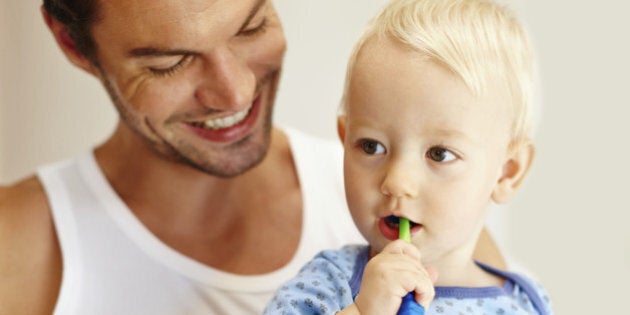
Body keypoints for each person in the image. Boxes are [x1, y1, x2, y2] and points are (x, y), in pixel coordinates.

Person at [0, 0, 505, 314]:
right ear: (73, 43)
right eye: (168, 63)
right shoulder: (17, 253)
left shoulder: (419, 212)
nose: (234, 91)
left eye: (251, 26)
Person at [263, 0, 553, 314]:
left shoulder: (526, 303)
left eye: (439, 154)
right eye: (372, 146)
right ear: (345, 140)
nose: (397, 182)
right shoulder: (328, 284)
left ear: (507, 173)